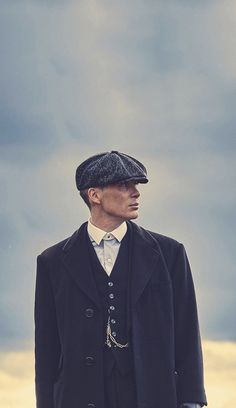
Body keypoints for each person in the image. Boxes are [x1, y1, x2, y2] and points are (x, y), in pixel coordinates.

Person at [34, 150, 207, 408]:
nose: (135, 193)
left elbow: (187, 331)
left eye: (136, 186)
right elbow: (47, 348)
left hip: (152, 396)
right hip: (79, 397)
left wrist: (191, 400)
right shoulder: (52, 261)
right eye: (124, 185)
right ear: (94, 195)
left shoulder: (169, 253)